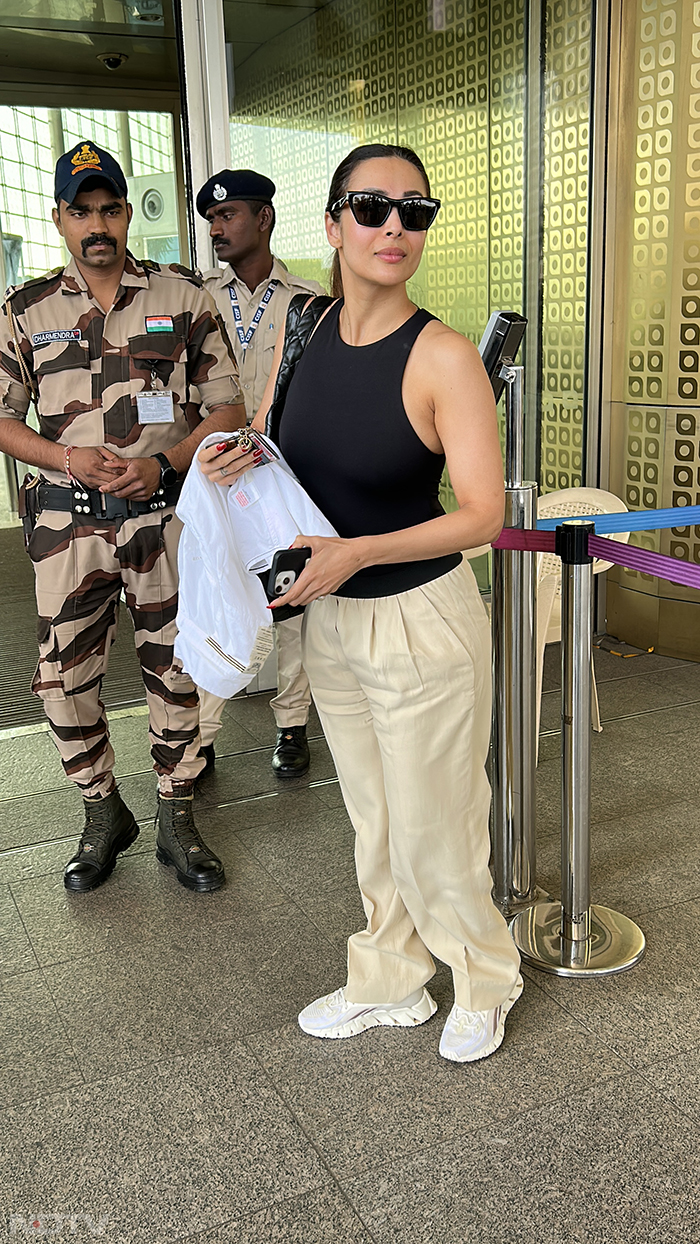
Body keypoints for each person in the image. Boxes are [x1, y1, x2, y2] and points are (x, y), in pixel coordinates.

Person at [199, 143, 522, 1063]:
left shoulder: (445, 356)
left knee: (437, 824)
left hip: (419, 619)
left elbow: (482, 516)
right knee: (376, 821)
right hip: (333, 618)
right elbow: (283, 444)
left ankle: (484, 979)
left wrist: (359, 554)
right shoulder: (305, 338)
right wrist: (241, 458)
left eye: (414, 212)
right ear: (334, 225)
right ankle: (390, 979)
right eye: (373, 208)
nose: (394, 227)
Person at [0, 141, 246, 895]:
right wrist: (64, 457)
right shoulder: (24, 310)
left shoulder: (184, 296)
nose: (97, 224)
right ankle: (103, 812)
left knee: (176, 671)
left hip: (162, 522)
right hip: (65, 529)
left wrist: (164, 465)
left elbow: (230, 406)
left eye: (109, 208)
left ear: (125, 213)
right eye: (82, 212)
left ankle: (177, 816)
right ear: (60, 219)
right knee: (63, 680)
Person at [193, 169, 325, 780]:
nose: (216, 227)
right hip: (219, 470)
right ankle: (203, 731)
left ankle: (292, 724)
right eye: (212, 219)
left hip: (283, 470)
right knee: (220, 591)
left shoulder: (308, 297)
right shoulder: (200, 297)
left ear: (263, 218)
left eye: (228, 216)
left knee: (291, 597)